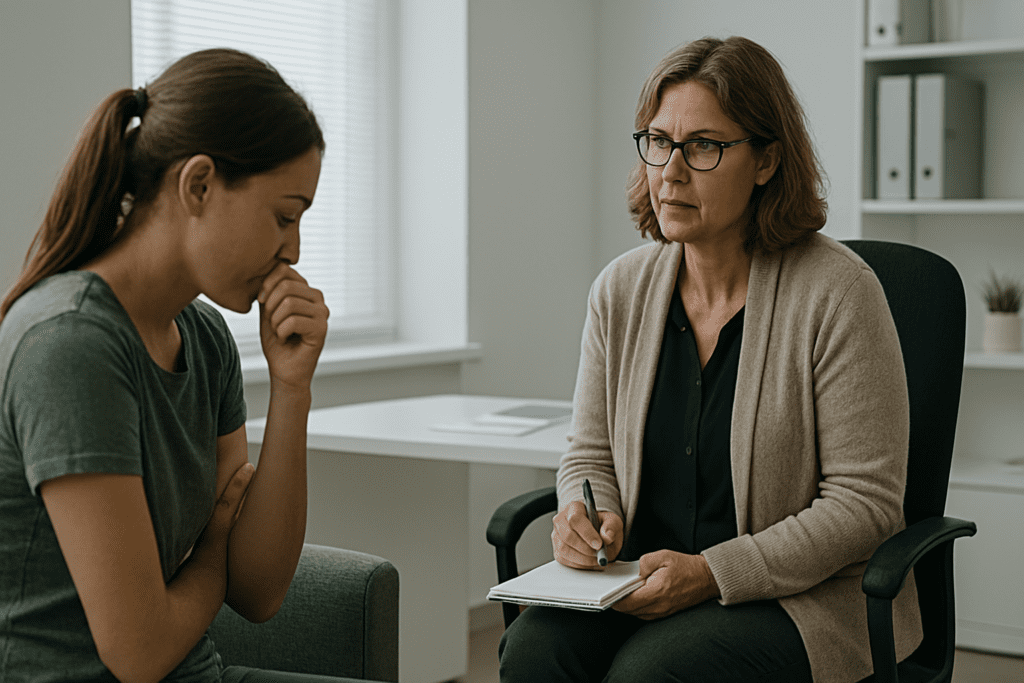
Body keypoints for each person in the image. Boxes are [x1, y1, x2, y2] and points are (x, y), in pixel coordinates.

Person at [498, 36, 923, 683]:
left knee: (653, 672)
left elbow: (864, 505)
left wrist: (712, 572)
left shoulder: (839, 291)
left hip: (798, 595)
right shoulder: (620, 289)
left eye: (703, 146)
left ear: (765, 160)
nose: (669, 170)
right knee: (534, 651)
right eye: (658, 141)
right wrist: (587, 516)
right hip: (638, 578)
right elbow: (589, 454)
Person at [0, 48, 371, 683]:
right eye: (283, 217)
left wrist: (292, 390)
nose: (295, 249)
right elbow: (138, 655)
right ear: (197, 184)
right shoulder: (72, 345)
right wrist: (211, 553)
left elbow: (258, 591)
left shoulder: (203, 337)